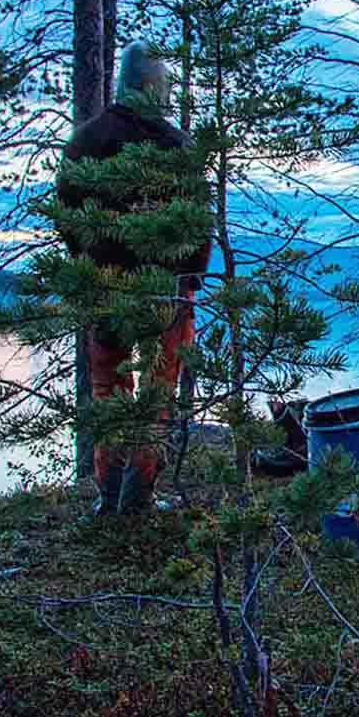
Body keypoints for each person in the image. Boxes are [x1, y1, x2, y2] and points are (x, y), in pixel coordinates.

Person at [58, 41, 212, 515]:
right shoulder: (177, 145)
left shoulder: (88, 140)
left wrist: (92, 265)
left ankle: (110, 498)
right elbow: (198, 222)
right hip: (167, 289)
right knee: (159, 391)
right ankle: (139, 496)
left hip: (107, 287)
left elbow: (69, 217)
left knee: (109, 391)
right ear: (155, 86)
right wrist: (189, 278)